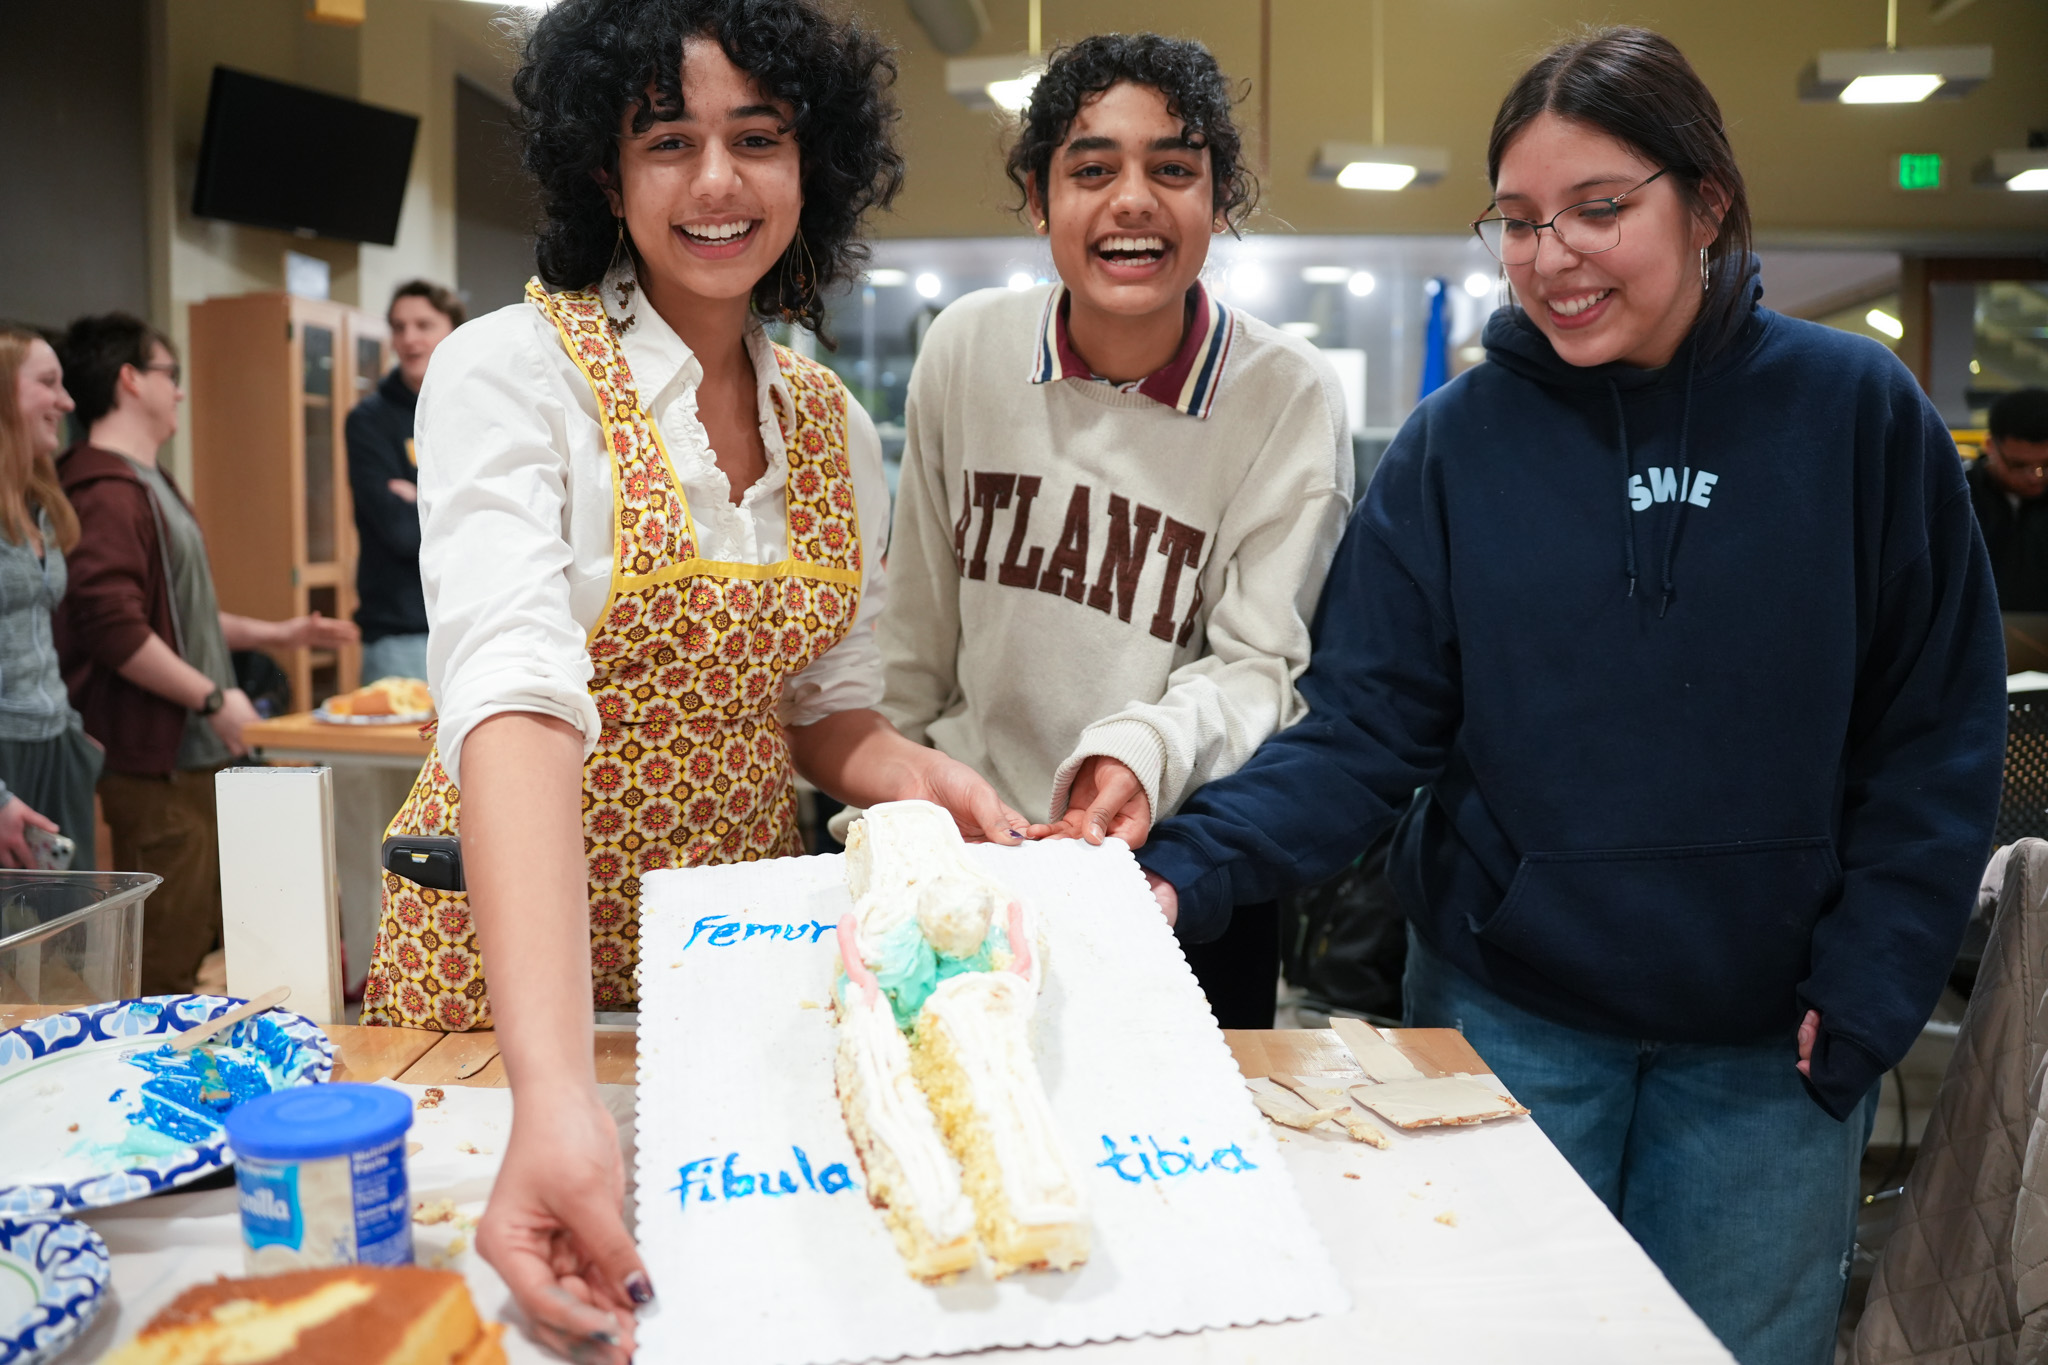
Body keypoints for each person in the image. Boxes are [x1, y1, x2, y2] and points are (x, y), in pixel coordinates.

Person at [1136, 28, 2004, 1365]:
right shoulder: (1455, 448)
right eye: (1520, 221)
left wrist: (1882, 971)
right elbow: (1366, 728)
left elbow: (1936, 727)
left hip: (1772, 1046)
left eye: (1600, 209)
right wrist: (1184, 867)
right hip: (1507, 1020)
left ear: (1706, 201)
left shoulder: (1858, 414)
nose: (1552, 256)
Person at [361, 2, 1025, 1353]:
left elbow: (823, 711)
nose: (718, 182)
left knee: (759, 1301)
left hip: (721, 961)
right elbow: (518, 703)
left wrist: (921, 778)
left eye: (759, 138)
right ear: (605, 173)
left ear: (811, 168)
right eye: (670, 140)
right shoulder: (512, 370)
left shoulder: (834, 421)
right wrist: (556, 1094)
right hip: (507, 987)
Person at [876, 34, 1353, 1027]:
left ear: (1219, 204)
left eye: (1172, 169)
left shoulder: (1284, 396)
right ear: (1038, 199)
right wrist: (889, 813)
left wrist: (1139, 752)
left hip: (1171, 880)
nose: (1130, 199)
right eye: (1090, 169)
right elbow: (912, 629)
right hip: (966, 864)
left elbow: (1260, 665)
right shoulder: (965, 349)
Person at [55, 313, 359, 994]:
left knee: (209, 937)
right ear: (131, 379)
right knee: (164, 957)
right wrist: (214, 697)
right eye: (172, 374)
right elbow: (115, 628)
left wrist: (276, 635)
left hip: (191, 757)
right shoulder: (106, 490)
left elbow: (173, 618)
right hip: (158, 764)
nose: (182, 392)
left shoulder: (144, 480)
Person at [0, 324, 98, 870]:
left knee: (71, 946)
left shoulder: (41, 506)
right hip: (6, 757)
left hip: (57, 746)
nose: (66, 401)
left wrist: (76, 742)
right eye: (48, 383)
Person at [347, 280, 464, 683]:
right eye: (398, 327)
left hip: (472, 626)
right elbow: (400, 532)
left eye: (423, 325)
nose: (409, 339)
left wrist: (419, 497)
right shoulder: (369, 421)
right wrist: (461, 502)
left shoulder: (476, 409)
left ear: (454, 331)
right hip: (402, 636)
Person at [1963, 387, 2048, 611]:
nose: (2035, 477)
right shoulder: (1958, 499)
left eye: (2046, 465)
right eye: (2018, 465)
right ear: (1990, 446)